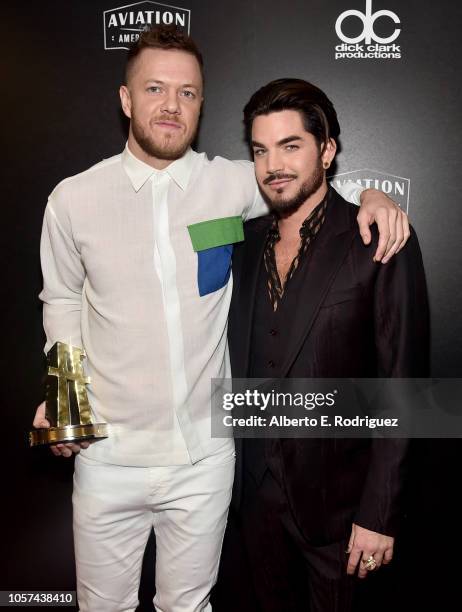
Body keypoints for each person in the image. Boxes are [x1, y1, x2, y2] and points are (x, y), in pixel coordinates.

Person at [32, 26, 409, 612]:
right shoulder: (73, 199)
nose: (170, 105)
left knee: (190, 606)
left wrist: (373, 199)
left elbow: (306, 184)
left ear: (201, 105)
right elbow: (59, 300)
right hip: (107, 457)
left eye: (187, 93)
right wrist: (66, 397)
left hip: (206, 460)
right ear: (126, 99)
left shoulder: (232, 182)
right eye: (154, 88)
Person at [223, 78, 429, 611]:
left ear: (328, 150)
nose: (274, 166)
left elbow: (402, 386)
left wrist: (378, 515)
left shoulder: (378, 239)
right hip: (254, 503)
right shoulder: (239, 244)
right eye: (261, 150)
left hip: (340, 515)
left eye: (291, 146)